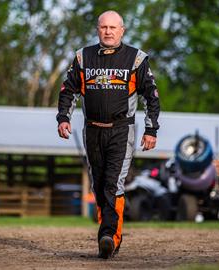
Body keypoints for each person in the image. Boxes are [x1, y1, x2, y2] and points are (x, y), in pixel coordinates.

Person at [56, 10, 160, 259]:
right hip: (91, 130)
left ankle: (109, 236)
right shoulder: (83, 57)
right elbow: (68, 90)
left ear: (122, 31)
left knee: (114, 183)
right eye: (104, 27)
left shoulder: (136, 59)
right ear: (97, 30)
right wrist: (63, 118)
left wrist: (151, 129)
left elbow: (152, 97)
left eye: (114, 27)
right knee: (100, 185)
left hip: (122, 131)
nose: (109, 31)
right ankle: (109, 235)